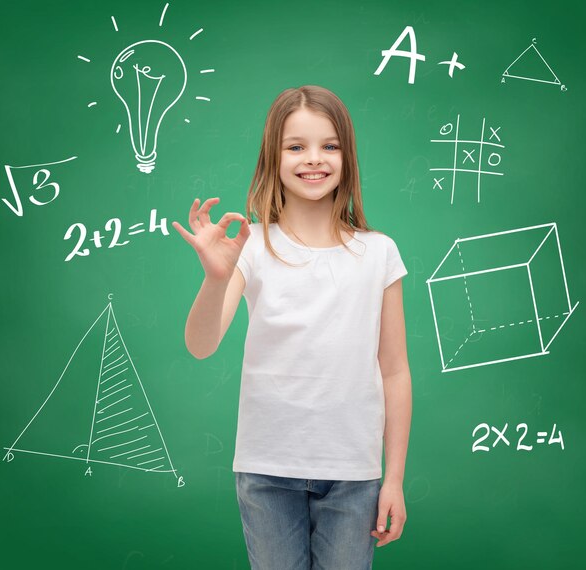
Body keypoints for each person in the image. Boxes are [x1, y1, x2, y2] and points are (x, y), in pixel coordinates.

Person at [173, 85, 412, 569]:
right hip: (266, 468)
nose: (314, 159)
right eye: (296, 146)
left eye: (329, 145)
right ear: (273, 157)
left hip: (353, 473)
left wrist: (394, 479)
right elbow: (201, 345)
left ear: (346, 156)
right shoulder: (251, 246)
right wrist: (215, 278)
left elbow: (394, 372)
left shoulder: (379, 252)